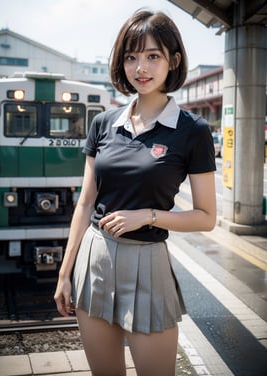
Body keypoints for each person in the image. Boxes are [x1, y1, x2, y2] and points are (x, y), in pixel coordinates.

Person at [54, 9, 216, 376]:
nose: (140, 67)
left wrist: (147, 216)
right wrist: (65, 274)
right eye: (131, 57)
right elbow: (85, 203)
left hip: (148, 264)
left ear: (173, 61)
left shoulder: (192, 130)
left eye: (152, 56)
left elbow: (207, 217)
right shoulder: (104, 123)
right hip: (94, 260)